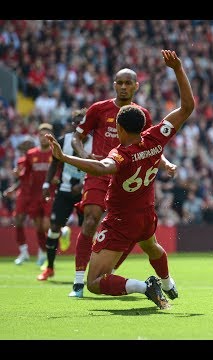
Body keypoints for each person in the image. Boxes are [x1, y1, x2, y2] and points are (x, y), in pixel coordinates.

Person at [45, 49, 194, 309]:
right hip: (147, 215)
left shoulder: (121, 155)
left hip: (121, 222)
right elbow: (187, 107)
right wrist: (178, 69)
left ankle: (144, 286)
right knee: (152, 247)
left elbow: (103, 167)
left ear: (121, 129)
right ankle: (169, 283)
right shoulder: (157, 137)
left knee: (96, 282)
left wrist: (65, 158)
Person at [69, 67, 176, 297]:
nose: (124, 87)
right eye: (120, 83)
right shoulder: (98, 109)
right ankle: (78, 281)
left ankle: (111, 275)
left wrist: (165, 163)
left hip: (127, 175)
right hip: (100, 172)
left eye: (128, 83)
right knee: (90, 220)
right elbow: (77, 137)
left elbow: (150, 146)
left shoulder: (142, 115)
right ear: (114, 84)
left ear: (136, 86)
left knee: (136, 233)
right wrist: (85, 156)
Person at [36, 108, 92, 281]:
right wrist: (47, 183)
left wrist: (83, 183)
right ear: (72, 124)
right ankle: (50, 268)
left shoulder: (97, 143)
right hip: (65, 190)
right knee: (53, 228)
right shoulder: (63, 140)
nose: (79, 125)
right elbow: (54, 163)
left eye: (83, 122)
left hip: (87, 192)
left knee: (89, 231)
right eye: (76, 122)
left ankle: (91, 270)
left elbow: (103, 168)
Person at [8, 124, 55, 266]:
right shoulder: (30, 155)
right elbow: (25, 175)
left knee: (46, 225)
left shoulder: (55, 153)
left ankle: (49, 247)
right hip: (33, 195)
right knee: (37, 225)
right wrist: (16, 179)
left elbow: (61, 170)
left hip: (49, 193)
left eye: (46, 135)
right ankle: (35, 251)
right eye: (40, 135)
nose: (43, 138)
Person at [3, 137, 36, 264]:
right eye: (24, 145)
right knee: (18, 220)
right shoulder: (21, 161)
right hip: (23, 194)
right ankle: (23, 251)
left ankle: (42, 252)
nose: (25, 147)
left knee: (40, 222)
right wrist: (12, 188)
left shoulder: (39, 157)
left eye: (28, 144)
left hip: (36, 194)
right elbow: (21, 180)